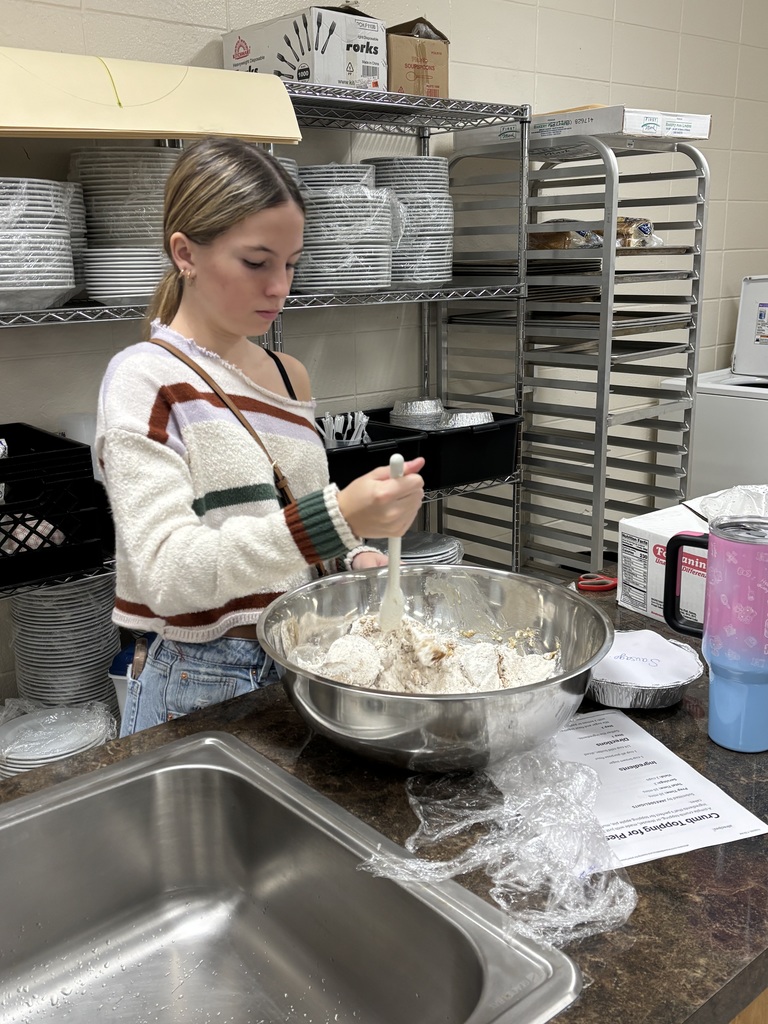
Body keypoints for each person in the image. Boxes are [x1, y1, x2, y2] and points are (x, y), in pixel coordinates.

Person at [95, 137, 424, 737]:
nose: (280, 287)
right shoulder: (144, 378)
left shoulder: (285, 373)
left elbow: (291, 521)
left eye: (292, 263)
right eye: (256, 262)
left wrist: (353, 553)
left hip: (308, 657)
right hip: (203, 679)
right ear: (185, 253)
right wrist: (333, 516)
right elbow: (167, 574)